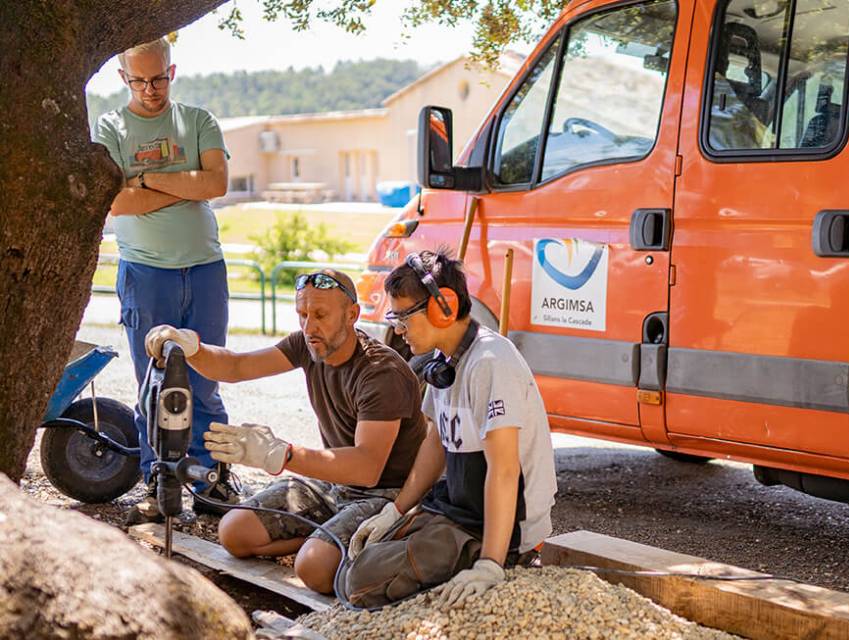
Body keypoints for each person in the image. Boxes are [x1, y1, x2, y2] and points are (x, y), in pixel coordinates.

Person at [145, 269, 426, 593]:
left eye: (320, 315)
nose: (309, 326)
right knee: (234, 532)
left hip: (387, 494)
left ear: (352, 315)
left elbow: (366, 467)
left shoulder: (381, 373)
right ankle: (326, 539)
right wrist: (191, 347)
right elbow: (236, 366)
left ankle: (336, 544)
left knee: (314, 569)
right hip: (336, 483)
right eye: (302, 314)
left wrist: (281, 454)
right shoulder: (308, 344)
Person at [345, 250, 557, 610]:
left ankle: (492, 560)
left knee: (362, 581)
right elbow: (437, 442)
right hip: (459, 510)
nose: (398, 329)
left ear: (444, 307)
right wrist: (396, 511)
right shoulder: (444, 362)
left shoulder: (490, 362)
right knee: (352, 562)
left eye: (404, 317)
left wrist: (490, 563)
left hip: (494, 526)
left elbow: (504, 471)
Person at [92, 38, 235, 523]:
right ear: (123, 79)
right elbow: (115, 202)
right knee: (154, 382)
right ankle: (159, 481)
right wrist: (181, 180)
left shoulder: (198, 120)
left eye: (159, 78)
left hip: (205, 268)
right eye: (140, 81)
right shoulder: (111, 126)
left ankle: (212, 478)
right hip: (145, 271)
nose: (151, 89)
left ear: (172, 72)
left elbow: (215, 184)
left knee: (207, 377)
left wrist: (147, 179)